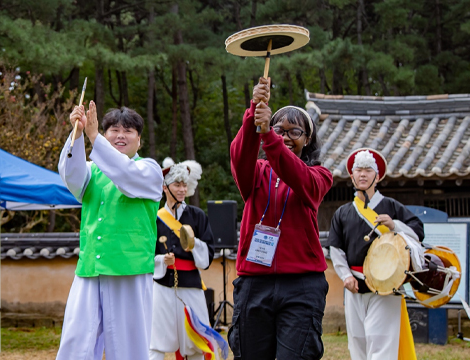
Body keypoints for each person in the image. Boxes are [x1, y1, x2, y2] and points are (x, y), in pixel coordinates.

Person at [228, 77, 333, 360]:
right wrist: (253, 114)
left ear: (308, 139)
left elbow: (297, 176)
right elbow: (238, 158)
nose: (285, 137)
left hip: (302, 285)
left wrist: (269, 137)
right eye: (279, 129)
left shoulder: (319, 176)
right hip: (254, 281)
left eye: (294, 131)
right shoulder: (257, 171)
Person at [56, 101, 163, 360]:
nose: (120, 135)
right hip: (91, 266)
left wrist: (94, 136)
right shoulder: (93, 172)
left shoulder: (149, 170)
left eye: (128, 131)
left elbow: (125, 175)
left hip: (129, 268)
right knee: (75, 342)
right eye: (113, 130)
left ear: (139, 140)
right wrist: (78, 134)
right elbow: (70, 175)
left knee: (128, 346)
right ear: (106, 135)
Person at [328, 148, 424, 360]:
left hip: (387, 285)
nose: (363, 174)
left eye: (368, 170)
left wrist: (394, 225)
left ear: (377, 176)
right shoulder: (343, 213)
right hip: (354, 284)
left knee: (380, 342)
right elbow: (335, 247)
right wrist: (345, 276)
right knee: (358, 343)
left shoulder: (391, 206)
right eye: (358, 170)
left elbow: (418, 232)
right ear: (352, 176)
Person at [149, 158, 215, 360]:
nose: (181, 189)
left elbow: (208, 254)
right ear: (165, 187)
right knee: (156, 341)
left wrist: (193, 243)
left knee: (195, 340)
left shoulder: (197, 216)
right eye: (177, 184)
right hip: (162, 283)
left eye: (184, 184)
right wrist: (161, 260)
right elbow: (145, 254)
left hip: (191, 284)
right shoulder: (154, 217)